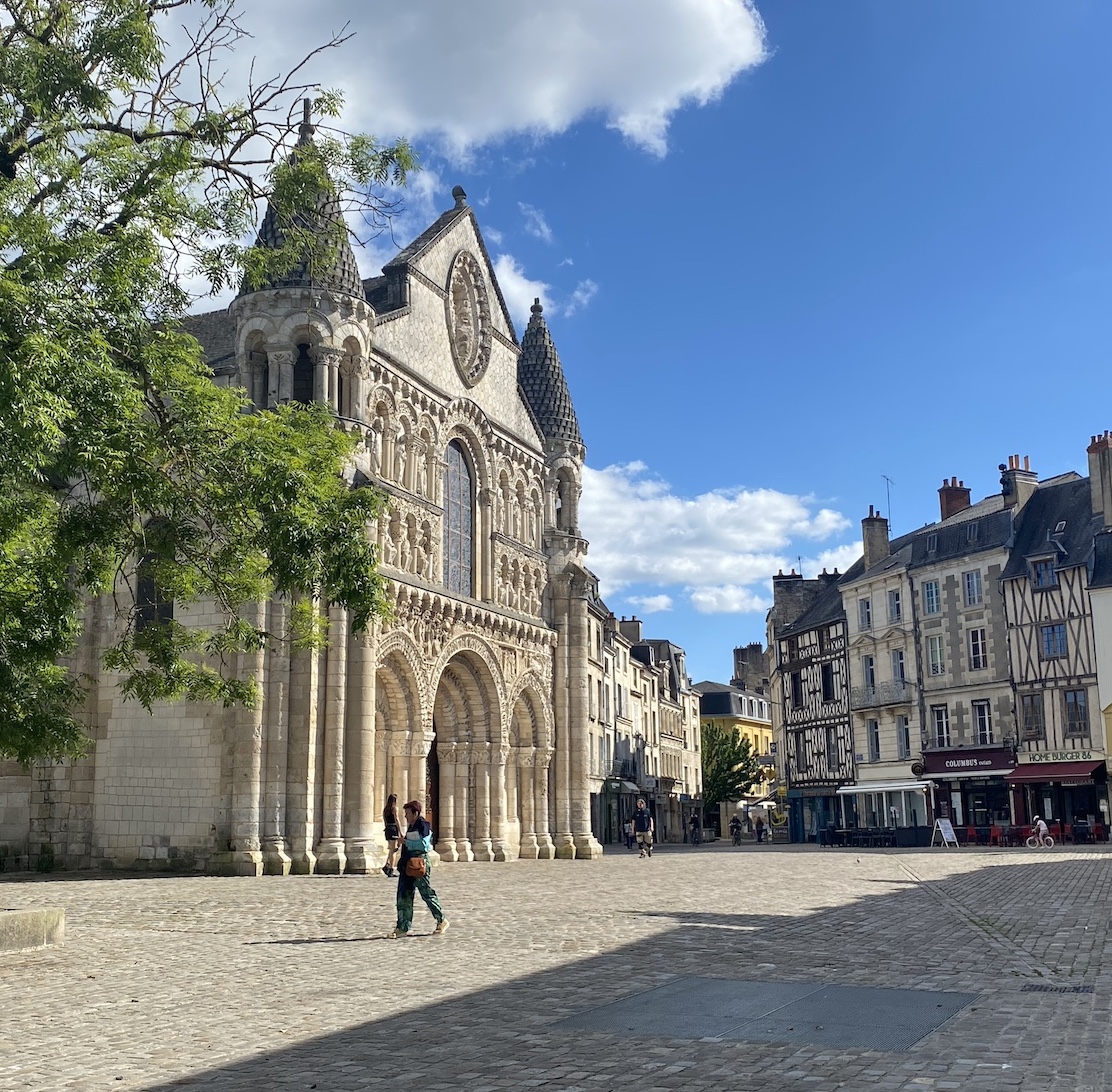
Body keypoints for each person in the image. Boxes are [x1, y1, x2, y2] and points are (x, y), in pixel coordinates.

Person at [388, 800, 449, 938]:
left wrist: (407, 842)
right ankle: (402, 927)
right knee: (404, 895)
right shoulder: (411, 825)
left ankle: (441, 919)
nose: (405, 816)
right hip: (407, 863)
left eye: (407, 813)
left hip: (419, 863)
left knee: (426, 893)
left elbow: (424, 845)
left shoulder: (423, 825)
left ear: (415, 813)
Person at [382, 793, 401, 878]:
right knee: (394, 850)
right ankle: (391, 868)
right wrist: (400, 831)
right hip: (393, 828)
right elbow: (397, 819)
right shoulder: (394, 808)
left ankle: (387, 865)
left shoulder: (385, 809)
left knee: (391, 848)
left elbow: (384, 820)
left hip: (388, 828)